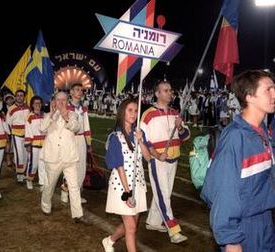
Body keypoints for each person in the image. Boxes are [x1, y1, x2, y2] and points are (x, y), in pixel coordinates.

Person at [201, 70, 275, 252]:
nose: (274, 94)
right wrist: (230, 240)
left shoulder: (262, 131)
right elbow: (223, 191)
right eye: (268, 90)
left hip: (264, 220)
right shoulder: (235, 137)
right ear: (249, 96)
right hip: (244, 227)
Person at [140, 80, 190, 244]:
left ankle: (153, 221)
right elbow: (144, 139)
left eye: (170, 90)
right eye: (166, 90)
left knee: (164, 193)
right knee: (163, 195)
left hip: (173, 159)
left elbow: (185, 136)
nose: (170, 93)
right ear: (157, 93)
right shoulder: (148, 114)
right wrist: (156, 154)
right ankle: (174, 231)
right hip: (158, 160)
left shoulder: (176, 113)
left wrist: (180, 127)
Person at [102, 98, 152, 252]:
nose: (133, 114)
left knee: (132, 225)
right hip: (122, 186)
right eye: (130, 110)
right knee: (131, 227)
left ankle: (109, 240)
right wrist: (127, 192)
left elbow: (148, 157)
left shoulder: (138, 133)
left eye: (136, 111)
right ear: (122, 112)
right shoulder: (115, 136)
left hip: (138, 183)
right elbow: (119, 166)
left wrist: (140, 140)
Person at [40, 92, 86, 222]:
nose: (61, 102)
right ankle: (45, 205)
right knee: (50, 185)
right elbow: (42, 128)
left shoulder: (73, 115)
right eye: (58, 100)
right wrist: (51, 115)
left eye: (64, 100)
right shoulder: (48, 115)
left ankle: (78, 214)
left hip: (69, 157)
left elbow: (76, 128)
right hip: (53, 157)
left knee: (74, 186)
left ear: (67, 101)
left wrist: (66, 117)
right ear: (54, 101)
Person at [61, 83, 92, 204]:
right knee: (69, 167)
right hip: (70, 139)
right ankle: (65, 191)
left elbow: (87, 127)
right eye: (77, 90)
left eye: (81, 90)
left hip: (81, 140)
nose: (80, 92)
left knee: (81, 168)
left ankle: (76, 194)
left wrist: (89, 144)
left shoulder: (83, 109)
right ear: (71, 93)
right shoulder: (66, 108)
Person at [24, 96, 46, 190]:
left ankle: (42, 183)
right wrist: (28, 144)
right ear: (32, 105)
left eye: (39, 103)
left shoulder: (45, 115)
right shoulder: (29, 117)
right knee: (33, 164)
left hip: (44, 144)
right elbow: (28, 131)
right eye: (36, 103)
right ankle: (29, 179)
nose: (38, 105)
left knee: (43, 164)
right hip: (34, 144)